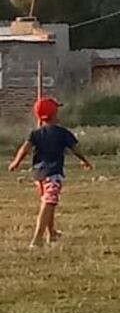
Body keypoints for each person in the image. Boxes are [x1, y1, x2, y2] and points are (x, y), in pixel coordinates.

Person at [8, 98, 93, 248]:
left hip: (38, 175)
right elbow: (75, 149)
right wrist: (84, 160)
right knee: (48, 203)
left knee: (49, 203)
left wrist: (16, 162)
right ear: (55, 114)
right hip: (53, 174)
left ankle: (52, 233)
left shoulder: (36, 133)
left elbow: (25, 148)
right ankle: (37, 239)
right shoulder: (63, 133)